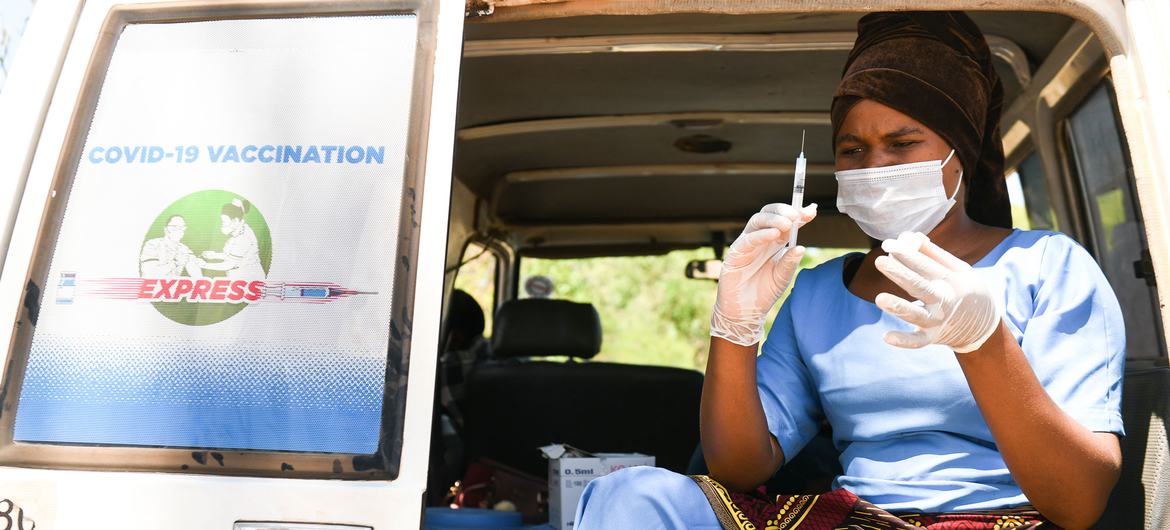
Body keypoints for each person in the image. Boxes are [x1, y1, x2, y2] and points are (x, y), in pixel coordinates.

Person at [575, 11, 1123, 530]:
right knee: (629, 495)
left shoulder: (1048, 265)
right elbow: (739, 469)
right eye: (853, 149)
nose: (875, 165)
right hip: (857, 518)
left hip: (1001, 517)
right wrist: (734, 326)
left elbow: (1079, 504)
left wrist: (982, 341)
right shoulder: (816, 293)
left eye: (902, 144)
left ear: (962, 154)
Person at [200, 198, 265, 279]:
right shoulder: (236, 233)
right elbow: (231, 256)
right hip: (238, 279)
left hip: (250, 279)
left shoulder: (244, 238)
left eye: (224, 222)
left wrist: (204, 265)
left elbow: (229, 265)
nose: (222, 225)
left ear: (235, 221)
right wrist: (214, 255)